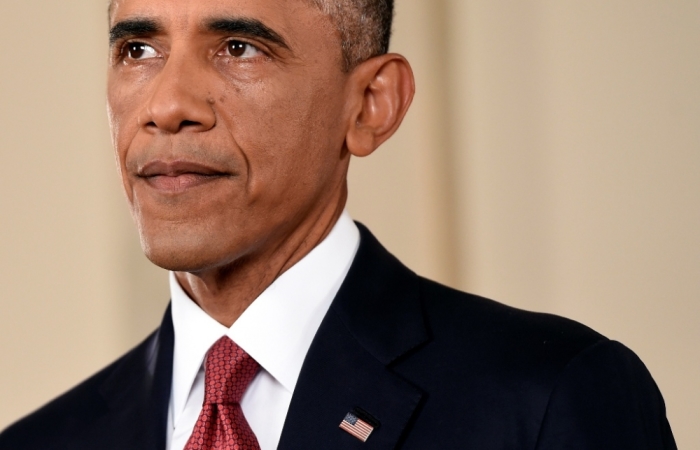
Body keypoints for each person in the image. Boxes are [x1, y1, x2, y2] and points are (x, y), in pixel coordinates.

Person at [0, 0, 676, 448]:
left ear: (371, 104)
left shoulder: (549, 398)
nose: (167, 104)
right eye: (139, 51)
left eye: (238, 46)